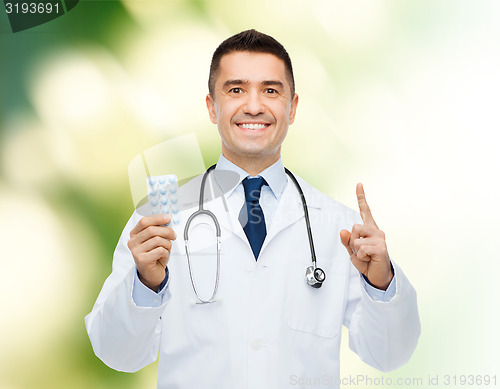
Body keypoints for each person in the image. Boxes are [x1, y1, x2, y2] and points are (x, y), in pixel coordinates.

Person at [85, 29, 420, 389]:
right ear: (212, 107)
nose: (254, 106)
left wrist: (382, 282)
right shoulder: (159, 221)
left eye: (271, 90)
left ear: (292, 108)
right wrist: (145, 284)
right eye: (236, 89)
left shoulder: (338, 228)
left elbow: (389, 355)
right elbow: (116, 354)